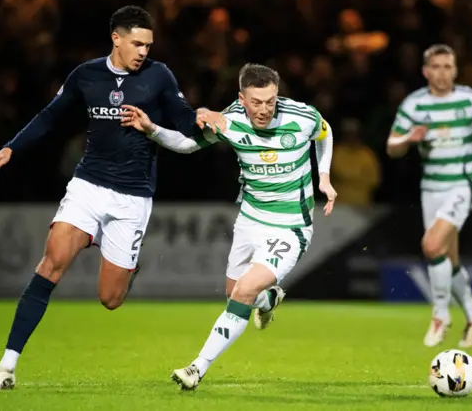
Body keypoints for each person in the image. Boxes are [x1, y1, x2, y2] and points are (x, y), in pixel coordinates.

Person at [0, 5, 225, 391]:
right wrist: (11, 148)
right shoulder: (87, 74)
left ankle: (126, 268)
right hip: (88, 186)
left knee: (110, 299)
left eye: (148, 45)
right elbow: (50, 115)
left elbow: (181, 118)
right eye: (137, 43)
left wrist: (199, 117)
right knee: (50, 264)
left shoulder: (159, 76)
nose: (144, 51)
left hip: (132, 198)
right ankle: (6, 367)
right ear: (116, 38)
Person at [122, 63, 337, 390]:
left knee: (244, 291)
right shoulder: (229, 120)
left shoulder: (302, 116)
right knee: (235, 294)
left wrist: (324, 176)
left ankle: (196, 368)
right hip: (250, 220)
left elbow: (325, 133)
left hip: (291, 225)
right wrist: (151, 128)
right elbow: (186, 145)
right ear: (242, 98)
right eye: (256, 102)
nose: (264, 110)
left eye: (270, 101)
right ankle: (269, 301)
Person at [386, 44, 472, 348]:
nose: (443, 72)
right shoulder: (414, 105)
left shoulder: (470, 98)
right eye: (437, 67)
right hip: (431, 188)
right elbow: (392, 147)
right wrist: (409, 139)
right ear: (426, 71)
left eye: (448, 66)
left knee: (431, 244)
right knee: (447, 258)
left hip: (462, 184)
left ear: (455, 69)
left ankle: (440, 315)